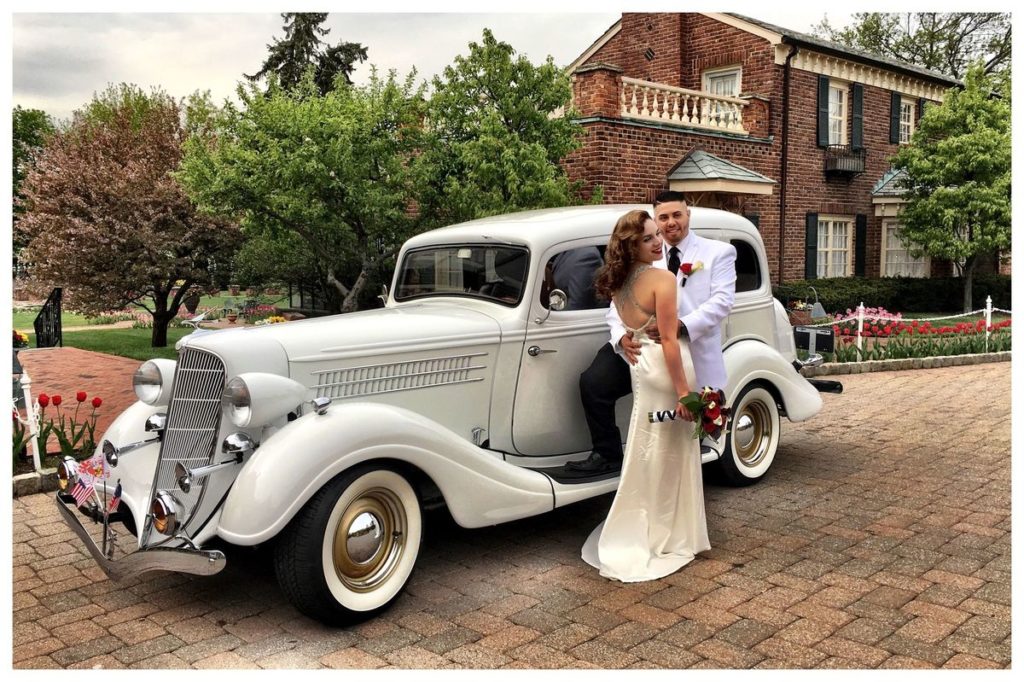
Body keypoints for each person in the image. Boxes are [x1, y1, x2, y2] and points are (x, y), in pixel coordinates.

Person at [579, 209, 710, 582]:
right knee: (671, 452)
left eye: (658, 235)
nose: (658, 242)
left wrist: (626, 336)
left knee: (647, 448)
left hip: (643, 370)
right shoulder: (662, 279)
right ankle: (668, 531)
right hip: (667, 371)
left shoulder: (620, 281)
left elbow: (627, 321)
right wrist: (685, 392)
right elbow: (669, 339)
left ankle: (644, 524)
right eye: (649, 238)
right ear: (632, 245)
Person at [569, 190, 737, 473]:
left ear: (688, 215)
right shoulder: (645, 252)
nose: (671, 223)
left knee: (678, 414)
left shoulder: (717, 252)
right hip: (638, 345)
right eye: (664, 217)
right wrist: (620, 337)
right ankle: (607, 453)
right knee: (593, 383)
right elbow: (616, 303)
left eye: (677, 215)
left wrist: (679, 326)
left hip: (687, 346)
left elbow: (722, 302)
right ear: (655, 220)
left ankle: (681, 468)